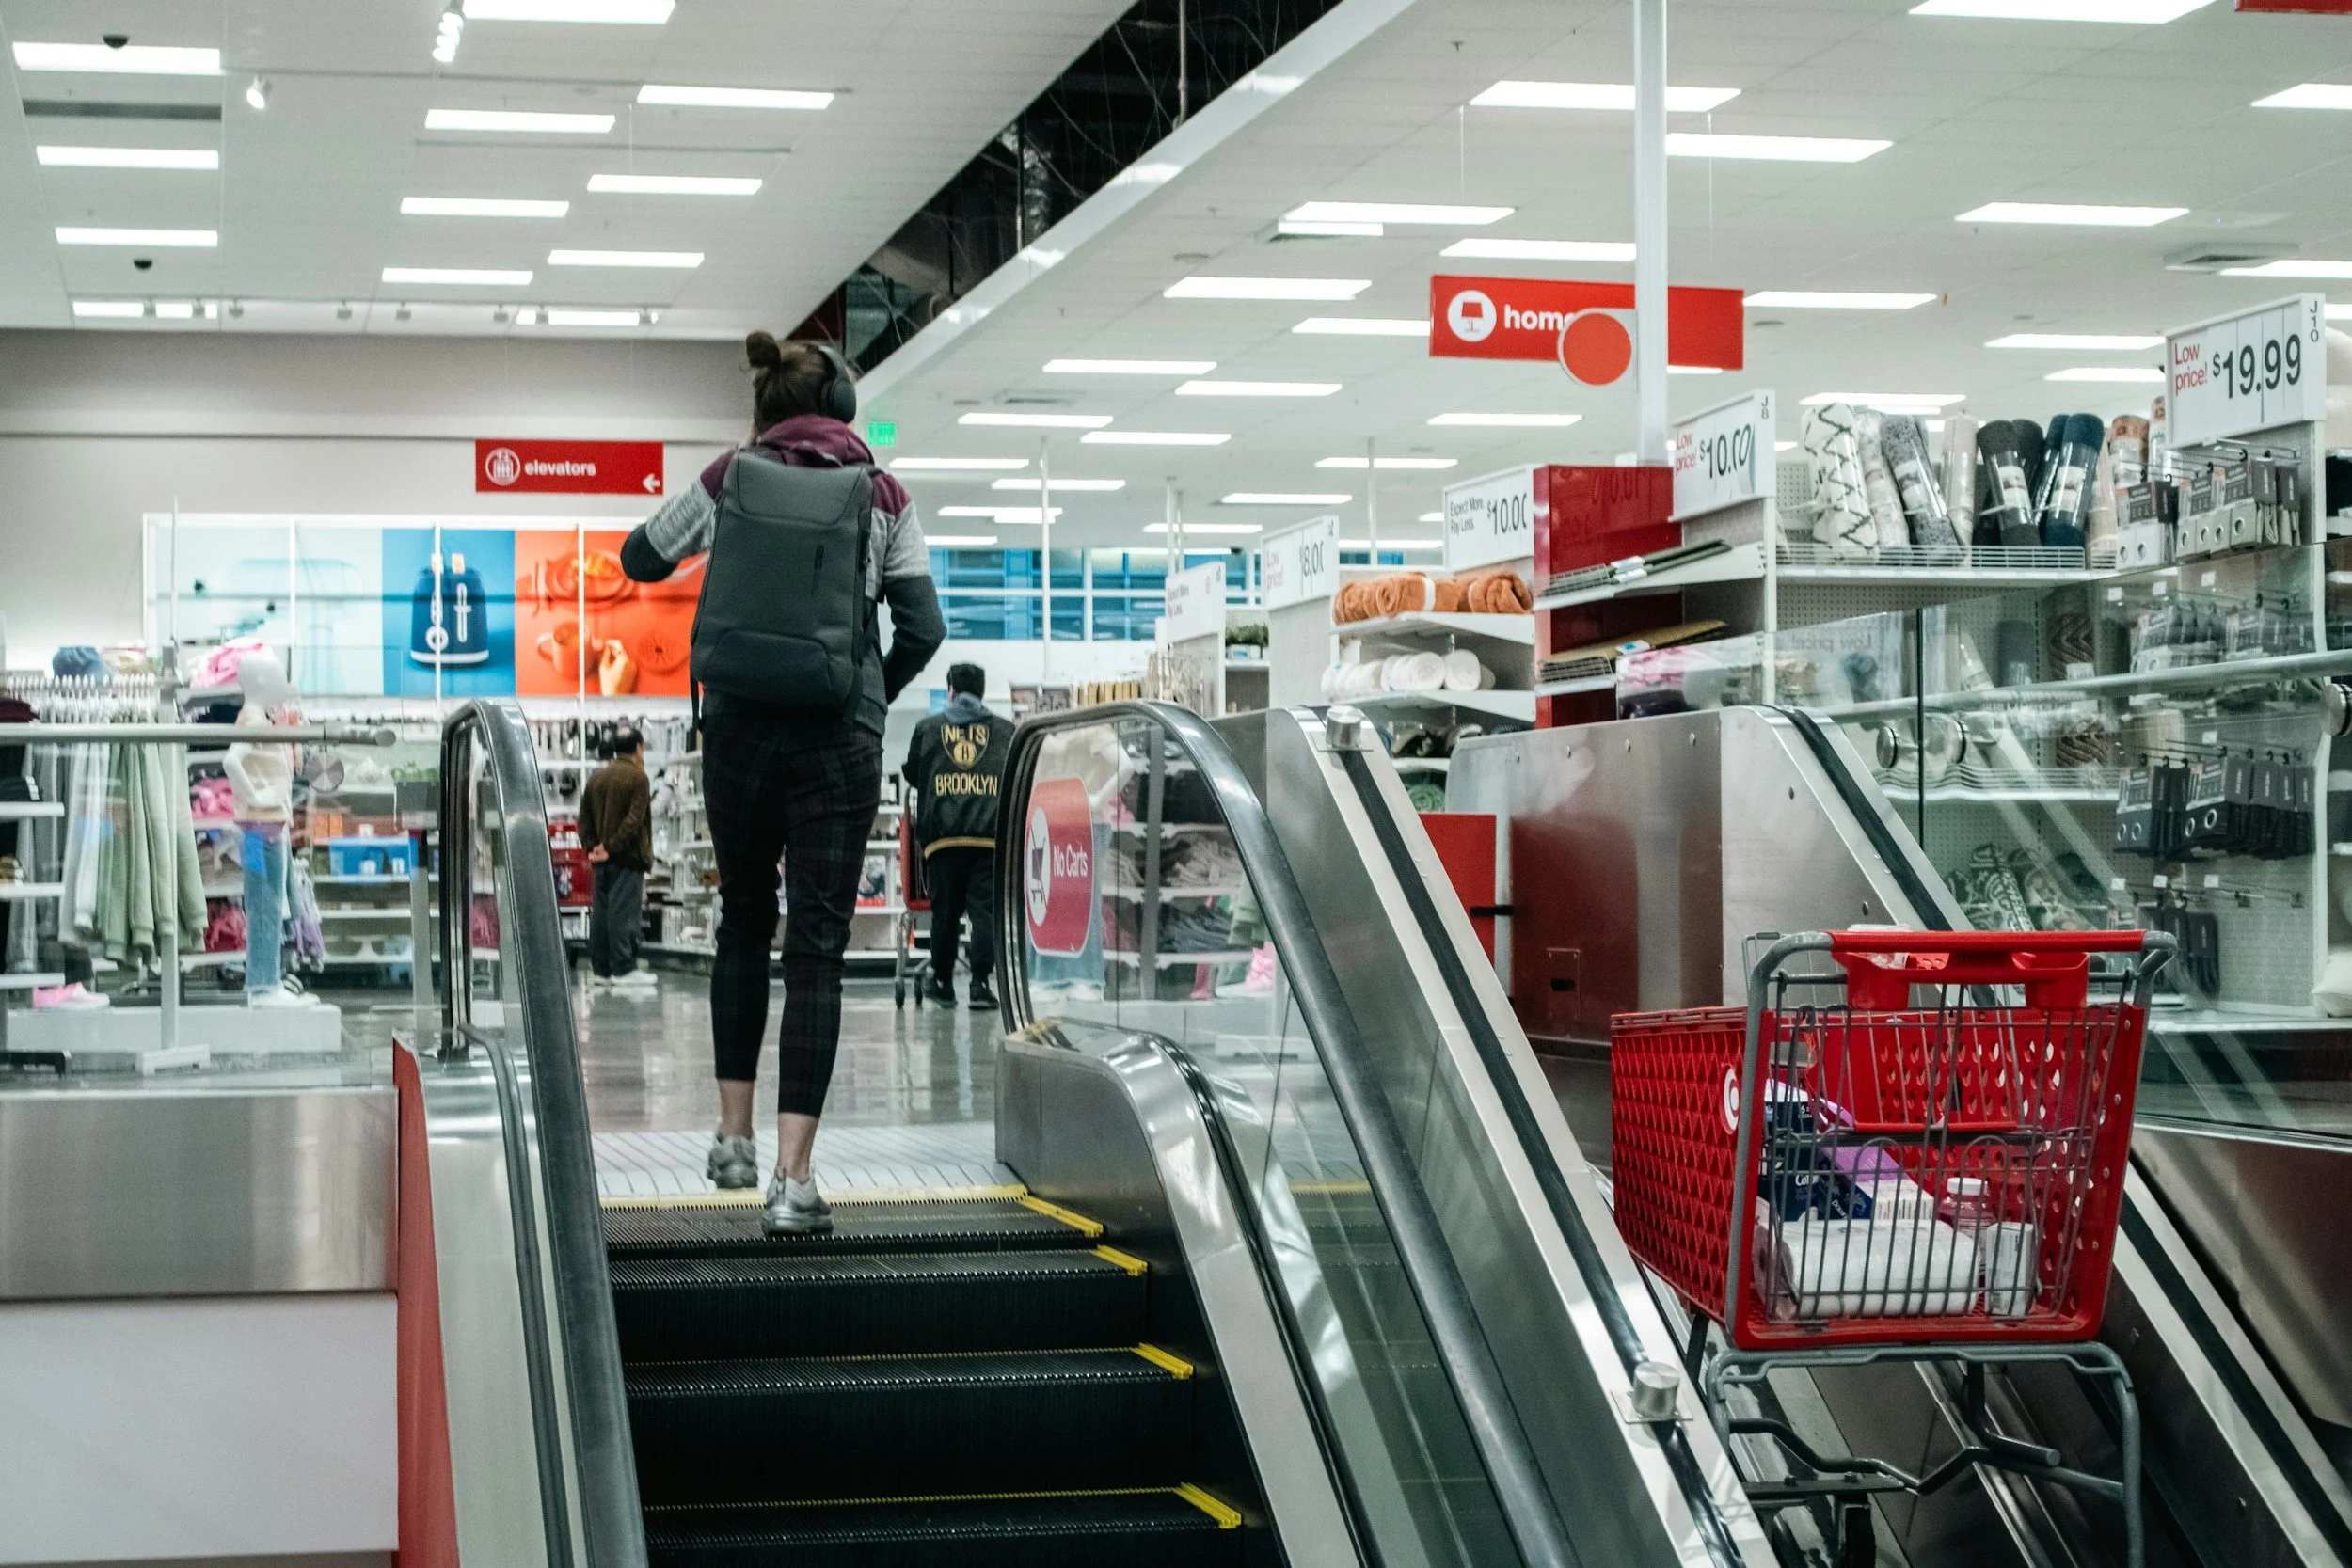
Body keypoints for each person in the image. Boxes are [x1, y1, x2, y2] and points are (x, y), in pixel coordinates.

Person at [622, 331, 945, 1235]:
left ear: (764, 407)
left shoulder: (731, 477)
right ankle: (793, 1180)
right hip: (838, 737)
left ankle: (729, 1136)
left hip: (736, 731)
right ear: (841, 405)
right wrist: (866, 682)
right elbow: (924, 622)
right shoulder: (882, 493)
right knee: (816, 949)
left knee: (742, 921)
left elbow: (639, 557)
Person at [902, 662, 1013, 1010]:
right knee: (985, 913)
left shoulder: (928, 728)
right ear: (981, 691)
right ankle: (980, 985)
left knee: (944, 913)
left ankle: (943, 982)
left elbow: (913, 773)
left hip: (943, 839)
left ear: (950, 689)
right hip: (989, 840)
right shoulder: (1005, 732)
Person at [578, 725, 654, 992]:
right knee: (624, 913)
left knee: (603, 913)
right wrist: (612, 847)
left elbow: (583, 820)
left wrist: (592, 848)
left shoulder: (596, 779)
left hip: (601, 860)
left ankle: (602, 970)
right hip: (627, 857)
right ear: (638, 749)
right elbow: (634, 821)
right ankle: (623, 968)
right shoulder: (638, 779)